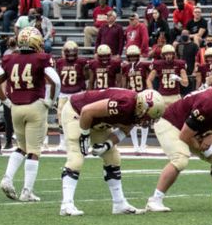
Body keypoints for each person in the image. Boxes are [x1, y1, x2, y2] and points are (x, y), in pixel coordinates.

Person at [57, 87, 164, 216]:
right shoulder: (124, 104)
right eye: (148, 117)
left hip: (98, 121)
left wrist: (107, 145)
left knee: (113, 157)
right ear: (142, 106)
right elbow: (87, 111)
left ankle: (119, 203)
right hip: (77, 112)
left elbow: (124, 130)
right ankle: (66, 205)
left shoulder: (135, 111)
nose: (148, 121)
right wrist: (85, 135)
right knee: (76, 156)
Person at [145, 80, 212, 213]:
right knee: (180, 159)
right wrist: (200, 146)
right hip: (172, 123)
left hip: (193, 129)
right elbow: (185, 135)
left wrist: (210, 138)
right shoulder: (208, 105)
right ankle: (155, 200)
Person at [0, 27, 61, 203]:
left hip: (16, 107)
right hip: (35, 106)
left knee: (21, 147)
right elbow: (56, 81)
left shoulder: (10, 58)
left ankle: (7, 178)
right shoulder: (41, 58)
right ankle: (27, 191)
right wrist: (50, 101)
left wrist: (7, 102)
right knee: (34, 150)